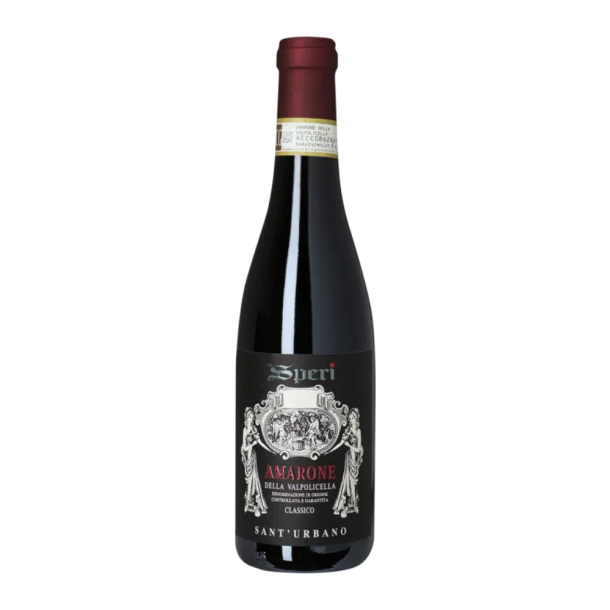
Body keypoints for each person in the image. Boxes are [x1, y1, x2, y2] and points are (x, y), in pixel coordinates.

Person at [333, 409, 363, 518]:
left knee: (353, 483)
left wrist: (348, 445)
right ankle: (348, 505)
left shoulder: (358, 431)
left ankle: (353, 504)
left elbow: (358, 449)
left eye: (352, 418)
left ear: (356, 419)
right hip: (348, 458)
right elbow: (341, 443)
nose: (350, 420)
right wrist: (330, 451)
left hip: (354, 459)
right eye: (349, 418)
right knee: (347, 481)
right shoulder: (348, 430)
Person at [241, 407, 268, 517]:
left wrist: (268, 449)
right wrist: (252, 444)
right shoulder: (245, 430)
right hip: (248, 456)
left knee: (254, 478)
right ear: (246, 417)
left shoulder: (254, 429)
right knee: (250, 479)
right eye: (250, 417)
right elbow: (244, 447)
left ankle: (253, 502)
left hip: (253, 455)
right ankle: (249, 502)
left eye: (252, 417)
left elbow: (259, 441)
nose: (251, 419)